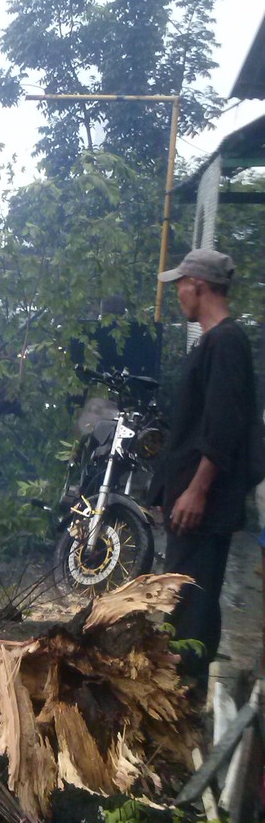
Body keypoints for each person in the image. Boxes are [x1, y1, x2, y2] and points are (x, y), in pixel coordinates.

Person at [152, 248, 257, 699]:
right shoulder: (212, 341)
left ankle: (183, 694)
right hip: (192, 501)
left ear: (199, 284)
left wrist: (196, 490)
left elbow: (223, 426)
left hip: (204, 505)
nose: (177, 292)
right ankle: (184, 690)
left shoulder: (227, 342)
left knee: (190, 600)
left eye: (181, 283)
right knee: (185, 595)